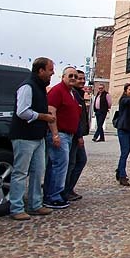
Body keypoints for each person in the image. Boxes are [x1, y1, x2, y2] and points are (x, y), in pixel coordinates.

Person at [8, 57, 56, 220]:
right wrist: (43, 116)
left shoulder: (40, 87)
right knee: (20, 172)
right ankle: (16, 208)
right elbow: (22, 111)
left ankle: (35, 204)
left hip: (37, 137)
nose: (52, 73)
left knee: (37, 171)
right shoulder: (27, 86)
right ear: (41, 70)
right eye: (50, 70)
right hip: (24, 136)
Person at [44, 67, 82, 209]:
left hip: (68, 135)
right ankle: (53, 196)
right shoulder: (57, 91)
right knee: (59, 166)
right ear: (63, 77)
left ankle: (51, 194)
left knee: (57, 165)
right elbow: (51, 112)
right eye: (70, 75)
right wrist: (55, 134)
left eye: (75, 76)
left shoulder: (71, 93)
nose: (73, 78)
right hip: (60, 134)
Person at [63, 70, 89, 202]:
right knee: (72, 162)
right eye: (79, 78)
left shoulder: (78, 94)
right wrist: (79, 136)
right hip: (73, 135)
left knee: (77, 161)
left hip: (77, 134)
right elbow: (75, 117)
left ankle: (67, 189)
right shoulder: (74, 94)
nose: (82, 81)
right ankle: (65, 190)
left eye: (83, 78)